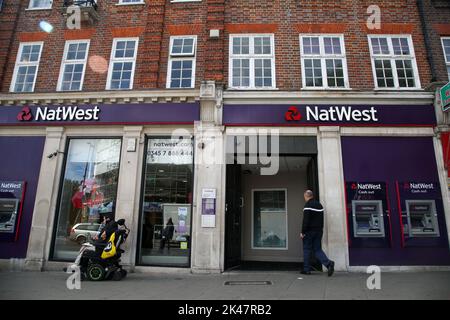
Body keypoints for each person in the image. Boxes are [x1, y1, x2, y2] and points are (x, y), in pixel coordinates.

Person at [300, 190, 335, 276]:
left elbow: (306, 220)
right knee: (317, 249)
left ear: (306, 196)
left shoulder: (307, 205)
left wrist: (302, 232)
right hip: (319, 231)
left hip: (309, 232)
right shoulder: (319, 205)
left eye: (304, 196)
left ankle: (306, 269)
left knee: (307, 249)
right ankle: (328, 263)